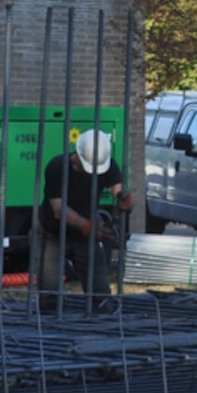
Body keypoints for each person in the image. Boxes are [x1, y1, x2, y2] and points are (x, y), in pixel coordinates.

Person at [37, 129, 132, 313]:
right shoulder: (57, 167)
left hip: (84, 237)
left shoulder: (107, 164)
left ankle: (102, 329)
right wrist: (87, 226)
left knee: (101, 297)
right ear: (78, 156)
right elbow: (59, 209)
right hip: (52, 234)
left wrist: (124, 199)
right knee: (50, 296)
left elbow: (117, 190)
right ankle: (49, 326)